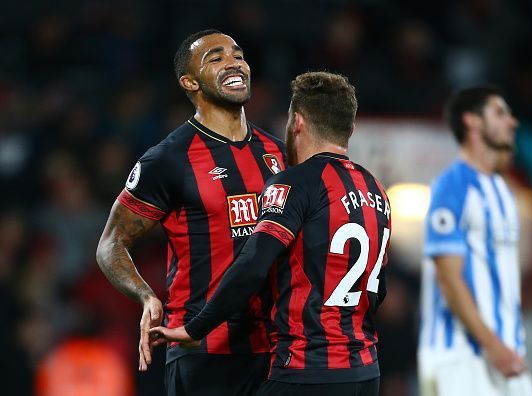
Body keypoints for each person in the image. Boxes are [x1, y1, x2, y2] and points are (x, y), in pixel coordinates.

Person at [150, 71, 392, 396]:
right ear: (349, 128)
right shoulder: (375, 189)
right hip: (365, 371)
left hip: (307, 369)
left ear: (298, 123)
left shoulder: (294, 182)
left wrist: (196, 328)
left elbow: (252, 265)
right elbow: (378, 290)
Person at [96, 29, 286, 396]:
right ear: (190, 82)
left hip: (279, 351)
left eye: (237, 54)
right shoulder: (168, 159)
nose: (233, 62)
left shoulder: (279, 153)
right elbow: (111, 243)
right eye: (215, 58)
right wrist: (146, 295)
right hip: (203, 352)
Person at [418, 85, 532, 396]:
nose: (512, 122)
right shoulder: (452, 186)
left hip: (507, 353)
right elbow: (448, 278)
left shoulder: (502, 190)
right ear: (471, 121)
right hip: (459, 356)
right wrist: (493, 346)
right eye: (500, 113)